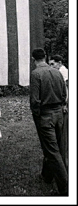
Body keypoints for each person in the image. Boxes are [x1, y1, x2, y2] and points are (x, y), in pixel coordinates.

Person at [30, 48, 68, 196]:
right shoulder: (57, 72)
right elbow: (65, 94)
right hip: (59, 114)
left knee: (52, 151)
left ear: (34, 59)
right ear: (45, 57)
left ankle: (65, 187)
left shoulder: (36, 74)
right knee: (57, 147)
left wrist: (37, 115)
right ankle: (47, 176)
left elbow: (34, 100)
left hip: (45, 116)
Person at [49, 54, 68, 169]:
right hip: (61, 104)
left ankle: (63, 163)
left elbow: (66, 88)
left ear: (59, 63)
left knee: (63, 134)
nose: (51, 66)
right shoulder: (58, 71)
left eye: (53, 64)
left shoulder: (63, 71)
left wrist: (65, 104)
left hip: (64, 105)